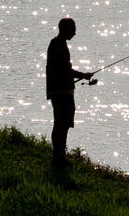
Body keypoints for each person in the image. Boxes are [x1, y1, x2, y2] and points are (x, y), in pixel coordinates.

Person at [46, 18, 96, 167]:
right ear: (64, 29)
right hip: (61, 92)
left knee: (63, 124)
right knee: (61, 124)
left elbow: (63, 70)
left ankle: (59, 157)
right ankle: (58, 158)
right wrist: (83, 75)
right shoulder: (58, 45)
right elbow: (65, 70)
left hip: (61, 90)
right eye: (72, 29)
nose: (75, 32)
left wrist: (81, 75)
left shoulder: (59, 44)